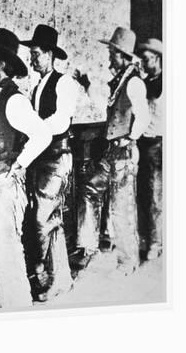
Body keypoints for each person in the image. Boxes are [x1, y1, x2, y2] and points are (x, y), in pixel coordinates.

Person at [0, 29, 51, 308]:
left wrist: (18, 165)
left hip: (4, 188)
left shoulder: (14, 99)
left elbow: (42, 135)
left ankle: (18, 312)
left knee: (7, 254)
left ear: (2, 64)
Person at [76, 27, 149, 275]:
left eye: (112, 53)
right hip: (111, 151)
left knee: (122, 207)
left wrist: (129, 138)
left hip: (124, 152)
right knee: (90, 190)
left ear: (122, 55)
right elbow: (107, 108)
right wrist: (87, 87)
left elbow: (144, 116)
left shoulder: (134, 82)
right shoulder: (120, 82)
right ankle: (89, 248)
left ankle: (128, 260)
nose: (109, 58)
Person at [20, 24, 77, 300]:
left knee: (44, 219)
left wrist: (37, 128)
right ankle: (60, 279)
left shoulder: (64, 83)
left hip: (56, 158)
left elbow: (62, 119)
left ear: (50, 54)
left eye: (36, 54)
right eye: (31, 54)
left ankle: (48, 273)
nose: (32, 59)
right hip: (40, 159)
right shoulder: (36, 85)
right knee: (48, 219)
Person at [136, 38, 163, 260]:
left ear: (157, 58)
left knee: (158, 195)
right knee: (148, 194)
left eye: (146, 60)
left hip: (163, 142)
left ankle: (158, 240)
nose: (143, 64)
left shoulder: (169, 81)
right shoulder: (145, 82)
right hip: (147, 143)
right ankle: (150, 240)